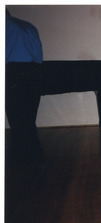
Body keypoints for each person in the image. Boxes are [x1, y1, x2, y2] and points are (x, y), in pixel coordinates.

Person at [6, 9, 44, 160]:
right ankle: (34, 155)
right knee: (29, 118)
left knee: (16, 119)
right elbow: (39, 54)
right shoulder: (28, 25)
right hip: (34, 72)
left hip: (13, 73)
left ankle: (20, 157)